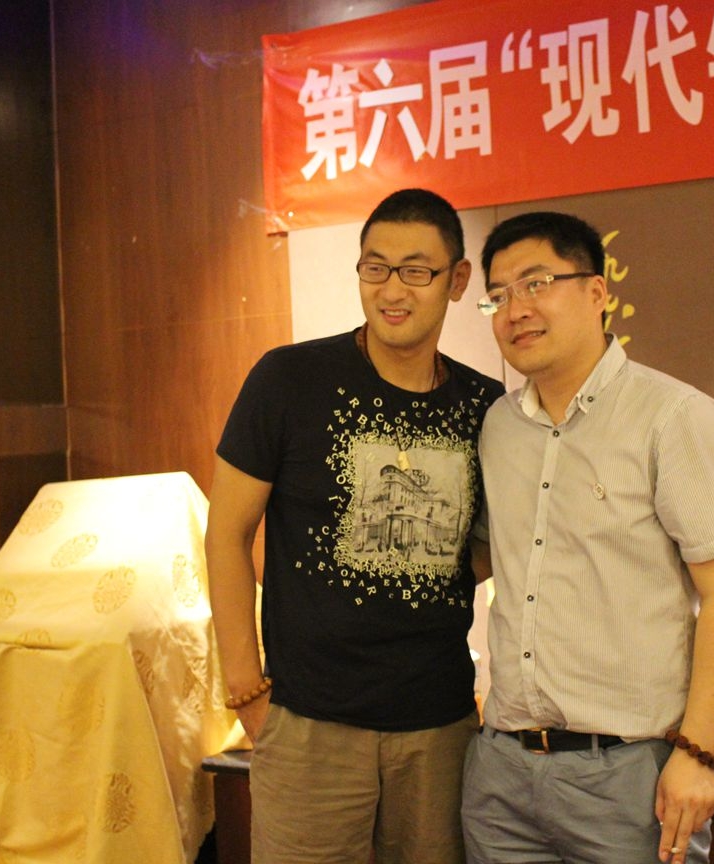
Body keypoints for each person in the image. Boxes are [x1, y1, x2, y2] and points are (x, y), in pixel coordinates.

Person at [206, 188, 505, 864]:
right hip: (308, 725)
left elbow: (490, 548)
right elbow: (226, 533)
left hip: (439, 728)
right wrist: (246, 690)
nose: (392, 290)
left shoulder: (485, 406)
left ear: (457, 280)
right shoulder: (288, 379)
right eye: (376, 267)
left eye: (416, 270)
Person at [462, 211, 714, 864]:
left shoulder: (673, 415)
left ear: (596, 291)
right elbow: (486, 557)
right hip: (501, 771)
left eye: (536, 283)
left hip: (629, 775)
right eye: (498, 295)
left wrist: (698, 754)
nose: (516, 309)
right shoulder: (498, 427)